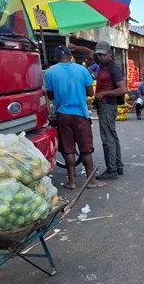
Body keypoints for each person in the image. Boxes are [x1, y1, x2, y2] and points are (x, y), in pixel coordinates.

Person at [44, 46, 104, 189]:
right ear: (70, 55)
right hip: (80, 114)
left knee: (68, 150)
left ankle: (71, 182)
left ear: (56, 58)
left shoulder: (50, 72)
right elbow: (90, 92)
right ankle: (91, 181)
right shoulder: (82, 70)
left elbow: (50, 96)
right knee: (86, 149)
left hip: (62, 115)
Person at [94, 41, 127, 180]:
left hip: (108, 105)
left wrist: (104, 93)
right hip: (104, 105)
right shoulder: (102, 63)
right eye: (99, 55)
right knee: (112, 136)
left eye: (104, 54)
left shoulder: (113, 68)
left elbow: (123, 89)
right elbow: (89, 53)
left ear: (110, 53)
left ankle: (111, 169)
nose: (101, 57)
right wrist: (77, 47)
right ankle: (118, 166)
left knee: (108, 138)